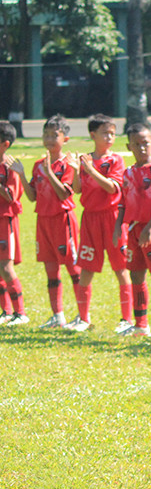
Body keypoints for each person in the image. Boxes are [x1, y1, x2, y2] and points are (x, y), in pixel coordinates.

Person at [14, 115, 80, 329]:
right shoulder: (37, 165)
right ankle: (57, 315)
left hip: (63, 220)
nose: (49, 139)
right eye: (46, 134)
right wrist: (23, 175)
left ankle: (82, 314)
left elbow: (64, 195)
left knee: (73, 269)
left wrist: (50, 172)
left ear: (66, 139)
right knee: (50, 270)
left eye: (55, 135)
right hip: (43, 221)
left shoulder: (67, 164)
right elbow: (32, 196)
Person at [71, 114, 132, 333]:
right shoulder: (84, 160)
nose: (109, 137)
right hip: (90, 218)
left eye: (113, 134)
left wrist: (90, 170)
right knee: (86, 267)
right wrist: (76, 171)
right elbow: (77, 189)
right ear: (92, 135)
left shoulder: (115, 160)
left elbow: (112, 188)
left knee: (120, 267)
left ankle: (126, 319)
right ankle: (83, 318)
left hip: (112, 217)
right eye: (105, 133)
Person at [114, 122, 151, 337]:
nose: (141, 148)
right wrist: (117, 227)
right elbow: (122, 203)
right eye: (136, 144)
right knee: (137, 276)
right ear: (128, 146)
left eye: (145, 144)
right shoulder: (127, 172)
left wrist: (149, 228)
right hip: (132, 231)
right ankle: (141, 324)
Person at [0, 122, 26, 326]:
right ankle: (6, 311)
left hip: (4, 220)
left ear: (4, 144)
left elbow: (12, 196)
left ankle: (20, 312)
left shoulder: (10, 168)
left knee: (6, 267)